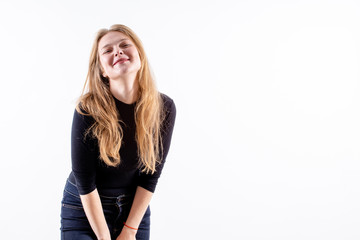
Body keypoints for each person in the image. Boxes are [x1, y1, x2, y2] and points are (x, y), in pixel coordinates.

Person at [60, 24, 176, 240]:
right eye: (107, 50)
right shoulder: (87, 109)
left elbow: (151, 175)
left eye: (125, 45)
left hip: (133, 209)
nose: (118, 51)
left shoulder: (164, 108)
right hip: (85, 206)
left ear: (140, 56)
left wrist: (130, 231)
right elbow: (85, 180)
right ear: (102, 70)